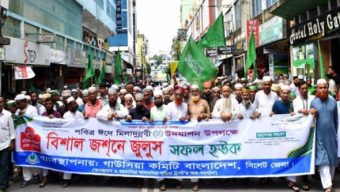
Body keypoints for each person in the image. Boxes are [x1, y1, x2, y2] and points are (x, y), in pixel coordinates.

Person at [310, 79, 338, 192]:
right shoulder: (314, 102)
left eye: (325, 87)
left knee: (332, 161)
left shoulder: (333, 102)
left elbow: (336, 120)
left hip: (331, 136)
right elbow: (310, 120)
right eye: (320, 88)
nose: (323, 90)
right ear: (317, 89)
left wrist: (335, 134)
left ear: (328, 88)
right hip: (319, 136)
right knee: (323, 160)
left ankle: (329, 182)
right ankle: (327, 186)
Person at [291, 80, 315, 191]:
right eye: (302, 89)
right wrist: (298, 112)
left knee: (307, 155)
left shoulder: (313, 98)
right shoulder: (295, 101)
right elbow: (294, 115)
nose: (305, 90)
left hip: (311, 130)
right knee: (296, 154)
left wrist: (311, 111)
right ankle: (292, 181)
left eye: (306, 88)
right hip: (298, 132)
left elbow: (316, 111)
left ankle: (305, 180)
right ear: (299, 90)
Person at [15, 94, 39, 188]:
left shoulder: (32, 109)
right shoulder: (17, 111)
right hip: (22, 137)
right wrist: (18, 116)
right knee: (23, 157)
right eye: (17, 104)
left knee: (33, 156)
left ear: (24, 101)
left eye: (19, 103)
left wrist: (24, 115)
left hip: (32, 136)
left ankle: (36, 175)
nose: (18, 105)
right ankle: (26, 178)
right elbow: (16, 122)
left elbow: (36, 120)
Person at [0, 97, 15, 192]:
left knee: (4, 165)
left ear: (3, 104)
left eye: (0, 102)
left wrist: (12, 142)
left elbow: (12, 130)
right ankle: (4, 182)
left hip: (5, 144)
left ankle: (2, 186)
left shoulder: (8, 114)